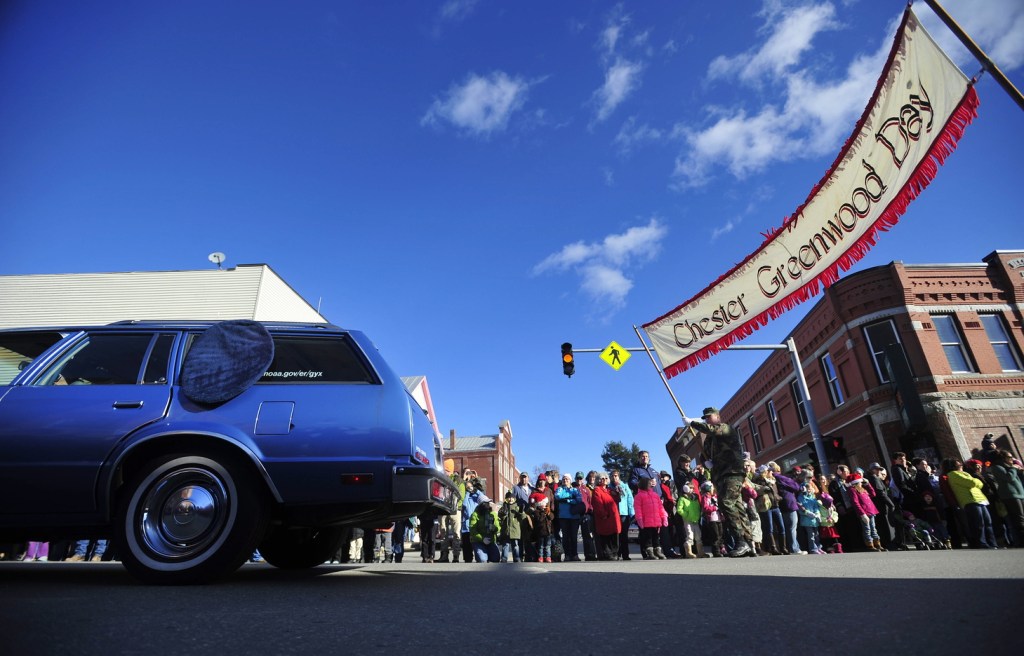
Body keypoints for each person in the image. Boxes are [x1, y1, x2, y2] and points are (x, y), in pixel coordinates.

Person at [683, 406, 755, 557]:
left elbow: (712, 429)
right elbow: (706, 454)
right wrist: (706, 461)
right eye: (705, 418)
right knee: (737, 506)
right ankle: (749, 543)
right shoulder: (710, 439)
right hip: (720, 474)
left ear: (717, 416)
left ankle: (741, 541)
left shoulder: (725, 428)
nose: (707, 420)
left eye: (709, 417)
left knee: (727, 503)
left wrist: (693, 423)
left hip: (732, 472)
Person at [989, 449, 1024, 547]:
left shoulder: (1010, 467)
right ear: (1003, 458)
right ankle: (1021, 541)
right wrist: (1014, 469)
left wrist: (1019, 470)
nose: (1012, 459)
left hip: (1020, 494)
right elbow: (1008, 478)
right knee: (1019, 519)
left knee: (1021, 518)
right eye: (1009, 457)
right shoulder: (997, 467)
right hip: (1010, 495)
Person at [772, 462, 805, 555]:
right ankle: (794, 548)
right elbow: (795, 486)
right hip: (789, 503)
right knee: (792, 527)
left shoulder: (772, 478)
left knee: (788, 527)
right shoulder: (779, 477)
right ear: (778, 469)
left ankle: (794, 547)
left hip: (782, 504)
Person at [634, 477, 668, 559]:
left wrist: (664, 516)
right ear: (644, 484)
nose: (651, 484)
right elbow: (637, 509)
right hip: (646, 522)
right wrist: (640, 519)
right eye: (649, 483)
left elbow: (660, 507)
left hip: (656, 521)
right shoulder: (639, 496)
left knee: (656, 537)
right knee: (648, 538)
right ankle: (650, 552)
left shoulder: (655, 495)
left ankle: (658, 551)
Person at [848, 473, 883, 551]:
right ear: (856, 482)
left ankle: (877, 544)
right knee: (867, 529)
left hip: (871, 511)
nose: (861, 483)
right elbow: (855, 502)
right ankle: (870, 545)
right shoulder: (852, 490)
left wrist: (868, 484)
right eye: (860, 482)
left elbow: (873, 494)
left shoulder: (863, 489)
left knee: (873, 528)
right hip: (864, 513)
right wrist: (862, 514)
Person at [753, 465, 783, 555]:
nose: (771, 472)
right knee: (769, 528)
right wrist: (766, 483)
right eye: (769, 471)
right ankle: (773, 548)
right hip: (766, 506)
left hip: (775, 505)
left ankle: (783, 547)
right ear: (764, 472)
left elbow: (776, 492)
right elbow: (759, 492)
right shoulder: (760, 481)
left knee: (781, 527)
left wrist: (778, 497)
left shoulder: (773, 480)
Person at [592, 473, 622, 560]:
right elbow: (597, 504)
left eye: (606, 478)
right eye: (602, 478)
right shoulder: (597, 490)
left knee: (614, 536)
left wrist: (617, 493)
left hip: (613, 518)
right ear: (598, 480)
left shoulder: (609, 490)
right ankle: (608, 554)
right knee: (606, 536)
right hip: (605, 518)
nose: (604, 479)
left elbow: (617, 500)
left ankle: (614, 553)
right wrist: (603, 514)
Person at [555, 473, 583, 561]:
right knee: (566, 537)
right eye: (563, 479)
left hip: (574, 516)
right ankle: (567, 555)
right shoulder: (559, 489)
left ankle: (575, 555)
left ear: (570, 481)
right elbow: (558, 496)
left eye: (567, 479)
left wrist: (567, 500)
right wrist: (571, 498)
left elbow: (579, 499)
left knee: (574, 537)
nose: (565, 480)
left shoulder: (575, 490)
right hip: (563, 516)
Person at [609, 469, 634, 560]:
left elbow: (630, 499)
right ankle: (616, 554)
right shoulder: (609, 487)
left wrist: (631, 512)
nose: (614, 477)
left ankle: (625, 554)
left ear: (618, 476)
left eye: (615, 475)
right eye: (612, 476)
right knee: (615, 535)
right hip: (613, 513)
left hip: (624, 513)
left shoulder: (624, 486)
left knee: (624, 534)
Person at [676, 480, 703, 558]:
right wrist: (686, 515)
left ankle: (700, 552)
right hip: (687, 520)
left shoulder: (695, 498)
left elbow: (698, 507)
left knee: (698, 535)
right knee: (690, 535)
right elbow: (679, 509)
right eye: (690, 488)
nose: (692, 489)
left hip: (696, 519)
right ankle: (688, 552)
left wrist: (699, 514)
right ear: (686, 488)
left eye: (692, 488)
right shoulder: (682, 499)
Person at [469, 496, 499, 563]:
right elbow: (473, 531)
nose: (489, 504)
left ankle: (487, 552)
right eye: (487, 502)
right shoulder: (475, 515)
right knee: (483, 560)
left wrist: (495, 528)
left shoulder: (493, 514)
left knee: (495, 559)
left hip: (490, 540)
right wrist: (482, 539)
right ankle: (479, 554)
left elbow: (498, 528)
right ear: (482, 504)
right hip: (478, 541)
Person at [797, 484, 826, 554]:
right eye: (807, 488)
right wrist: (807, 513)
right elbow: (800, 509)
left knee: (817, 534)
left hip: (814, 520)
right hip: (807, 520)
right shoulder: (800, 498)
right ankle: (813, 548)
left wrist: (817, 514)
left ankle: (819, 547)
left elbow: (816, 507)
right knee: (811, 535)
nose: (809, 490)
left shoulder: (813, 497)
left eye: (810, 488)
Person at [497, 491, 525, 562]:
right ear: (506, 499)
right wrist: (502, 515)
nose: (510, 499)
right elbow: (499, 516)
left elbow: (523, 517)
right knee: (505, 545)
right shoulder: (503, 507)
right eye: (508, 498)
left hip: (514, 530)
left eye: (512, 498)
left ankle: (516, 557)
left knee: (515, 545)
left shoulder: (517, 507)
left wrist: (521, 512)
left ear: (515, 499)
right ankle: (504, 558)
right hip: (505, 530)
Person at [700, 481, 724, 557]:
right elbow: (705, 508)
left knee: (721, 534)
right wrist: (714, 508)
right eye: (712, 487)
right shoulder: (705, 497)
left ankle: (721, 549)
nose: (713, 489)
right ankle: (716, 551)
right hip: (712, 519)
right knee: (715, 535)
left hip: (719, 518)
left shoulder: (715, 496)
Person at [579, 471, 598, 561]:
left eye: (594, 477)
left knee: (597, 535)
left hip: (598, 514)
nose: (592, 479)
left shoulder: (598, 487)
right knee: (588, 535)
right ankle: (590, 554)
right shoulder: (585, 488)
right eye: (590, 477)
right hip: (588, 514)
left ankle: (600, 553)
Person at [531, 498, 554, 563]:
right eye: (542, 504)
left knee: (548, 545)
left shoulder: (548, 510)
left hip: (548, 532)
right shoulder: (536, 512)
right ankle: (540, 556)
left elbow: (551, 518)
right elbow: (539, 520)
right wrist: (544, 513)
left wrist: (549, 513)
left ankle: (548, 556)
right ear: (539, 505)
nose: (544, 505)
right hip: (540, 532)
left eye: (544, 504)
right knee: (541, 545)